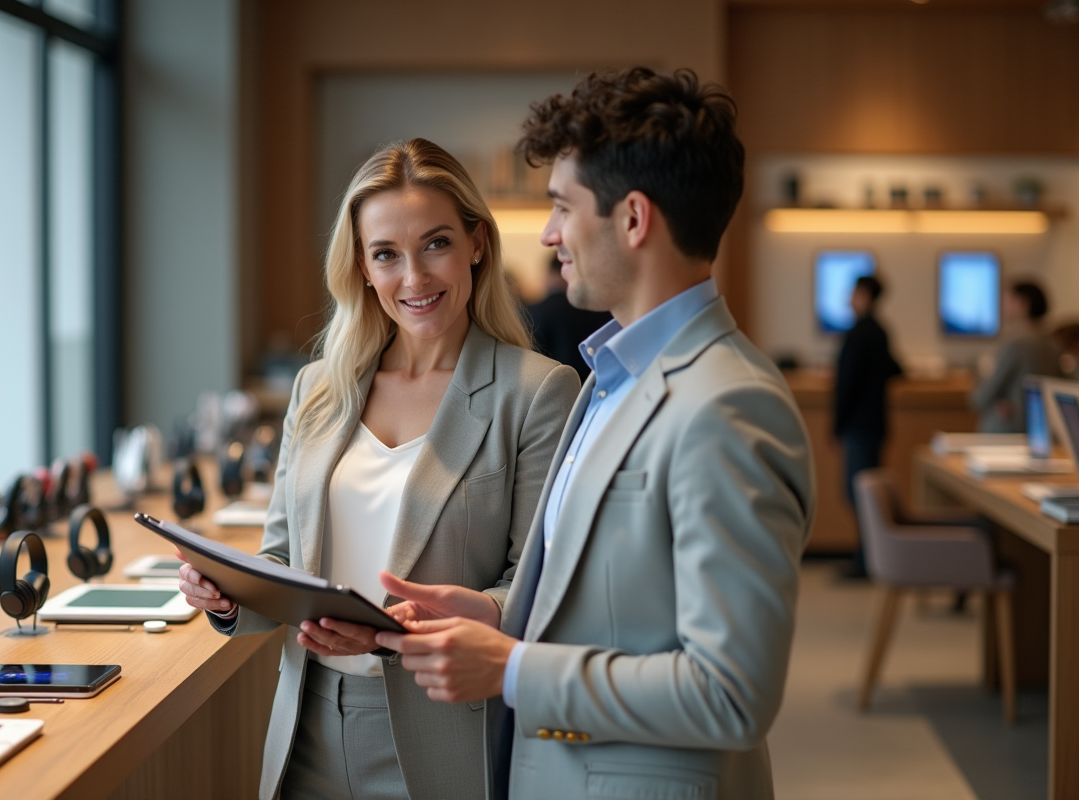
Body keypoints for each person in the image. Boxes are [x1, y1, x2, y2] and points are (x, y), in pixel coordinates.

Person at [373, 68, 815, 800]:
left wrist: (509, 667)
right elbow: (614, 603)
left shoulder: (729, 405)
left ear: (633, 219)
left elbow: (732, 692)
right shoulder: (611, 377)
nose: (549, 236)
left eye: (561, 207)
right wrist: (489, 612)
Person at [177, 139, 579, 800]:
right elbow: (283, 557)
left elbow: (543, 591)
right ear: (361, 267)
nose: (414, 279)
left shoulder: (535, 392)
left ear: (478, 243)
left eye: (437, 244)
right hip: (308, 722)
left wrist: (458, 615)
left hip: (447, 731)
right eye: (386, 254)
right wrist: (226, 597)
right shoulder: (319, 388)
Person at [834, 275, 902, 578]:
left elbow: (846, 384)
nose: (849, 298)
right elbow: (895, 369)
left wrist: (836, 424)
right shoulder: (880, 331)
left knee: (858, 493)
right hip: (875, 423)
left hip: (858, 425)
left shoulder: (859, 333)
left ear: (863, 294)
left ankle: (866, 560)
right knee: (865, 493)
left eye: (852, 293)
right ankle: (868, 557)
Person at [970, 280, 1063, 433]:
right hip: (1040, 428)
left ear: (1023, 303)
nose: (1004, 307)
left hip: (1008, 428)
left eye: (1008, 301)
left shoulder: (1016, 343)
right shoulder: (1053, 343)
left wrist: (983, 374)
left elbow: (981, 397)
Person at [525, 253, 611, 380]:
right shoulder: (604, 309)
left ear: (553, 273)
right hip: (598, 384)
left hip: (554, 386)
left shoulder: (537, 311)